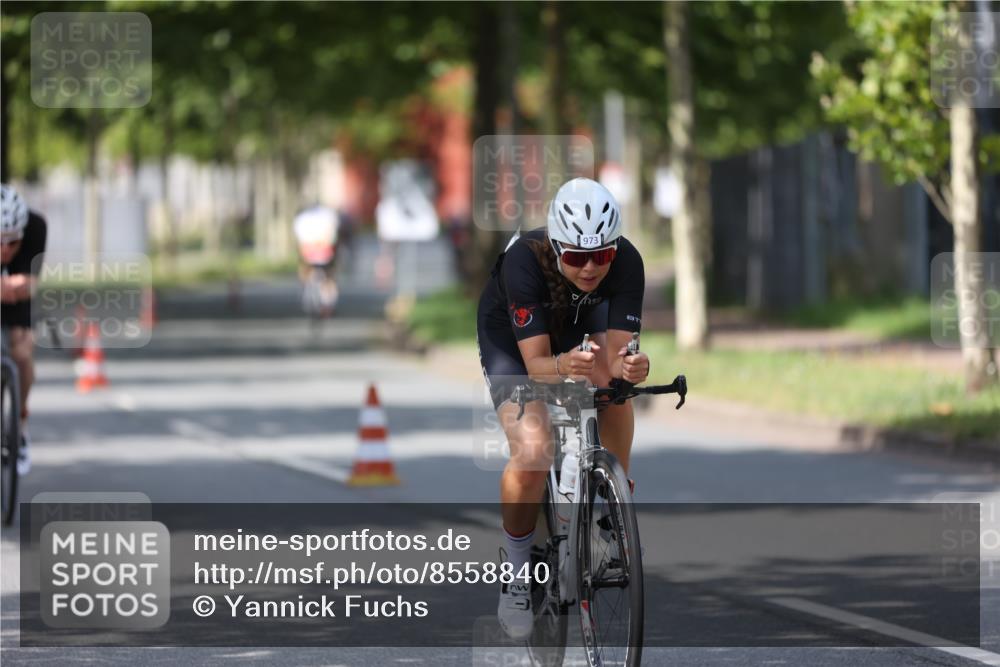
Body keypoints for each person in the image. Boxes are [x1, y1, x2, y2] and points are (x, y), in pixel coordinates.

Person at [476, 177, 650, 639]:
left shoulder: (627, 261)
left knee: (613, 391)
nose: (591, 267)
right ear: (556, 247)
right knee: (534, 448)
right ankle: (515, 572)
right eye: (576, 256)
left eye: (602, 255)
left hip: (578, 321)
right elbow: (535, 364)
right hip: (517, 340)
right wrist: (561, 365)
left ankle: (609, 512)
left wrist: (633, 367)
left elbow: (615, 357)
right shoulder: (523, 262)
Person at [0, 184, 47, 476]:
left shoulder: (36, 227)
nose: (5, 249)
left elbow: (28, 285)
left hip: (16, 299)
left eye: (12, 242)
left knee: (22, 347)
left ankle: (20, 423)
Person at [292, 204, 340, 315]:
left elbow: (299, 239)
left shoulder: (302, 219)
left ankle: (305, 290)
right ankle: (328, 302)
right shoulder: (328, 217)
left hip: (308, 252)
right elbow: (333, 236)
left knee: (305, 270)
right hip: (325, 251)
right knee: (329, 277)